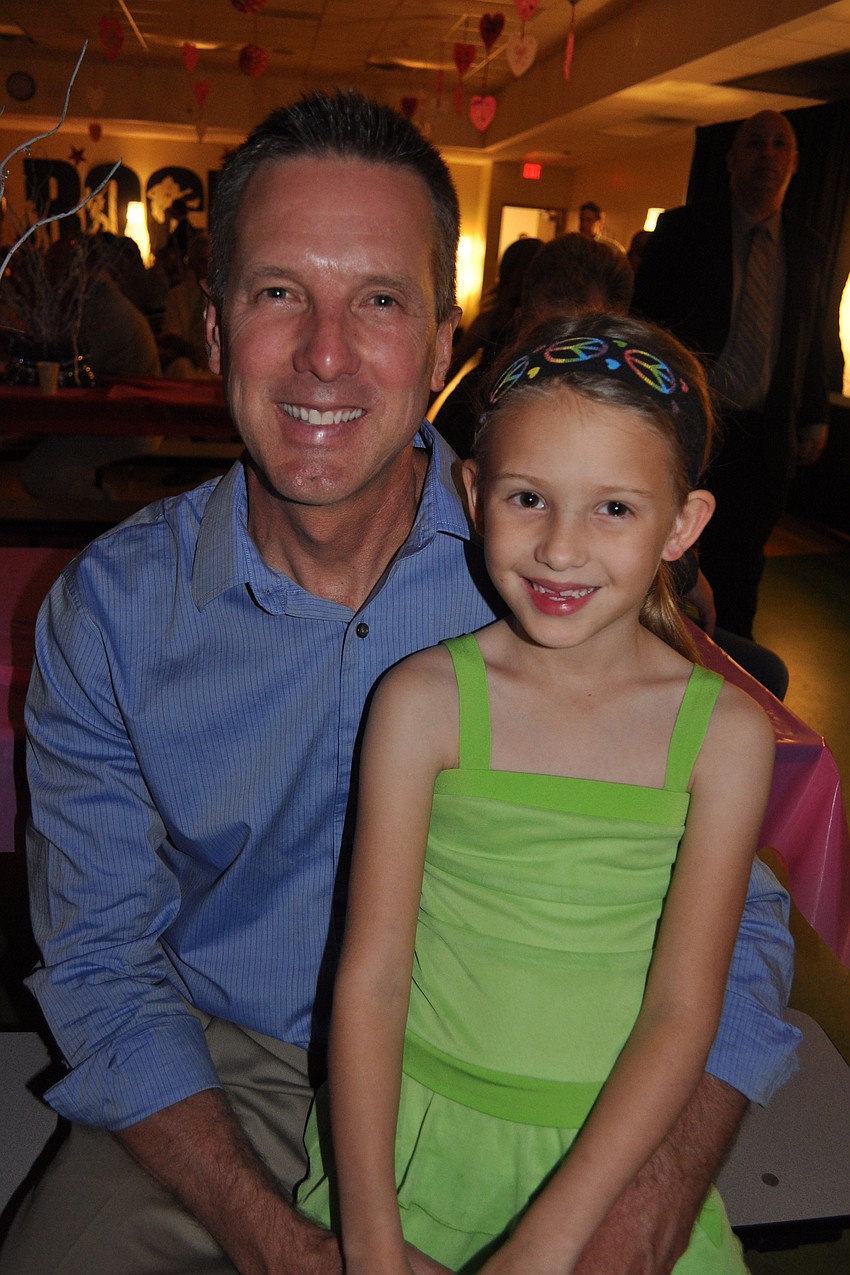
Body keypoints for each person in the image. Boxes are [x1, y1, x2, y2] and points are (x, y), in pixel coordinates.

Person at [3, 92, 797, 1275]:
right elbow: (103, 966)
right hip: (230, 1065)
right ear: (214, 329)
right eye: (279, 293)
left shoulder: (564, 573)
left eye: (378, 300)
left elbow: (735, 925)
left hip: (539, 1073)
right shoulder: (113, 615)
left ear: (440, 343)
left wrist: (651, 1192)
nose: (326, 353)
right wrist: (285, 1243)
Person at [298, 312, 774, 1273]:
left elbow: (686, 1009)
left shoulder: (726, 737)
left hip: (605, 1159)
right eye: (528, 497)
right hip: (415, 1150)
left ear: (683, 524)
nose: (560, 550)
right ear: (473, 493)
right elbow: (373, 978)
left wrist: (553, 1242)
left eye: (613, 509)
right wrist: (373, 1237)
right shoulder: (422, 704)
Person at [632, 110, 828, 639]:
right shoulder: (683, 231)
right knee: (668, 565)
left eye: (780, 144)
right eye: (756, 143)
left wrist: (813, 417)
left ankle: (737, 689)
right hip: (693, 428)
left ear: (794, 162)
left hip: (766, 438)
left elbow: (817, 336)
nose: (768, 153)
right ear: (731, 159)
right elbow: (647, 328)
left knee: (742, 576)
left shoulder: (809, 247)